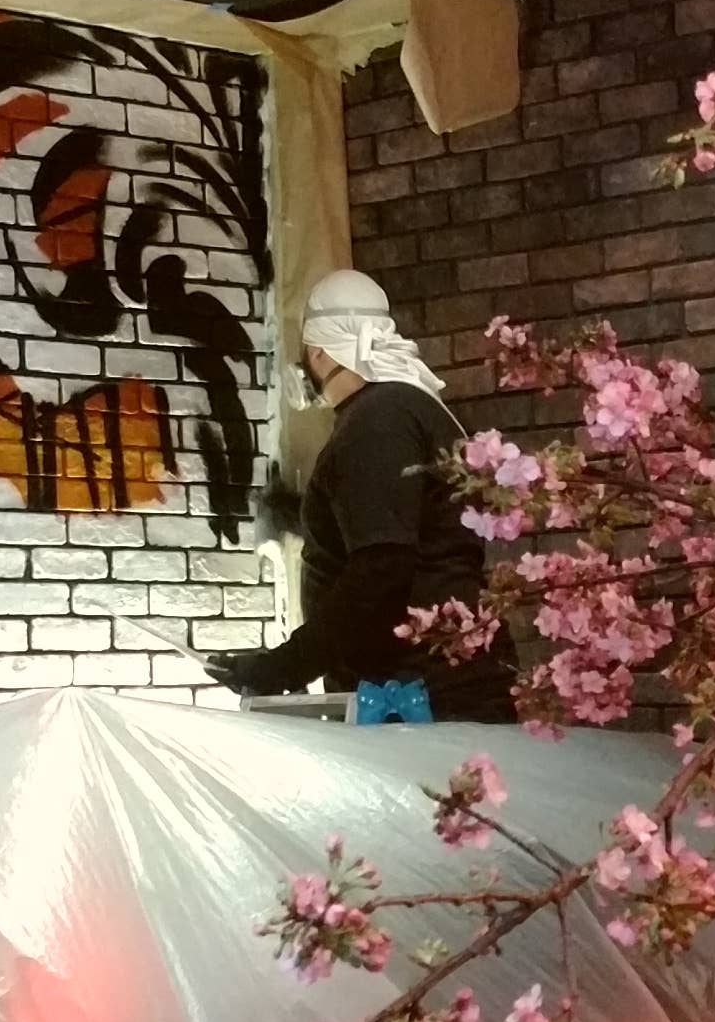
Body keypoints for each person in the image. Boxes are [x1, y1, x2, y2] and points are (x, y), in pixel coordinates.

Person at [204, 271, 516, 720]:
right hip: (447, 686)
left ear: (318, 352)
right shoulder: (412, 411)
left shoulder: (377, 421)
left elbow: (381, 566)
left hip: (416, 700)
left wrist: (283, 667)